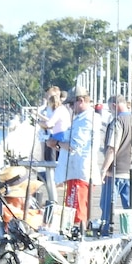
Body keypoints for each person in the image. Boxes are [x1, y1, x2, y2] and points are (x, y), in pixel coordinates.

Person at [50, 85, 98, 227]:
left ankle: (79, 235)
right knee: (71, 209)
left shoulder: (87, 119)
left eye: (71, 104)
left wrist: (56, 143)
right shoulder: (81, 118)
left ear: (81, 100)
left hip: (80, 173)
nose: (70, 107)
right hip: (74, 173)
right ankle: (76, 233)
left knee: (77, 211)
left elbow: (75, 145)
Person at [100, 95, 132, 230]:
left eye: (109, 109)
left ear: (114, 105)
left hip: (114, 173)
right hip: (131, 171)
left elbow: (112, 148)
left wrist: (104, 169)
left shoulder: (117, 121)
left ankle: (105, 233)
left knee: (107, 207)